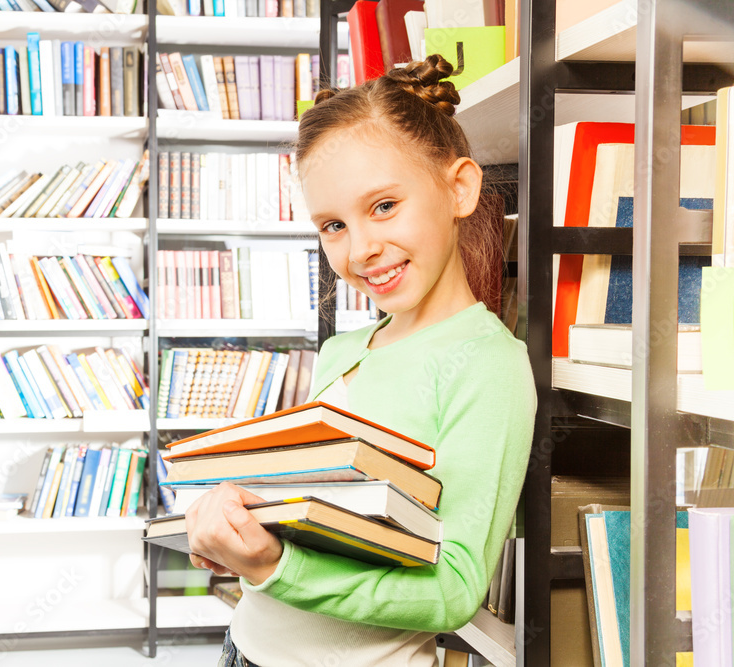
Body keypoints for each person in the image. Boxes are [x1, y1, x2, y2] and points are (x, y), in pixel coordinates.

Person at [184, 55, 537, 667]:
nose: (361, 250)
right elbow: (324, 516)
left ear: (458, 187)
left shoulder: (486, 365)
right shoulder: (342, 351)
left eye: (382, 207)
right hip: (244, 646)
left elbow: (453, 589)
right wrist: (243, 529)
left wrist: (275, 567)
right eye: (332, 225)